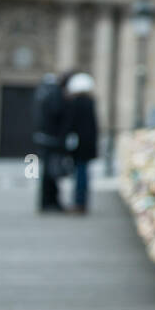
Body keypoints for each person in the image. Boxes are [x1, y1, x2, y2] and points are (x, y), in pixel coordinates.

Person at [62, 72, 99, 214]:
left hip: (78, 144)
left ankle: (79, 203)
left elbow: (70, 124)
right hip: (88, 145)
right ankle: (82, 202)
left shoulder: (76, 103)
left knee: (79, 175)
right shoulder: (90, 102)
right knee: (84, 174)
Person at [31, 72, 66, 212]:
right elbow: (58, 114)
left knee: (47, 172)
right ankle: (51, 202)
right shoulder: (54, 95)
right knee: (52, 173)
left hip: (43, 138)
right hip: (53, 140)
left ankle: (45, 202)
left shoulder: (41, 94)